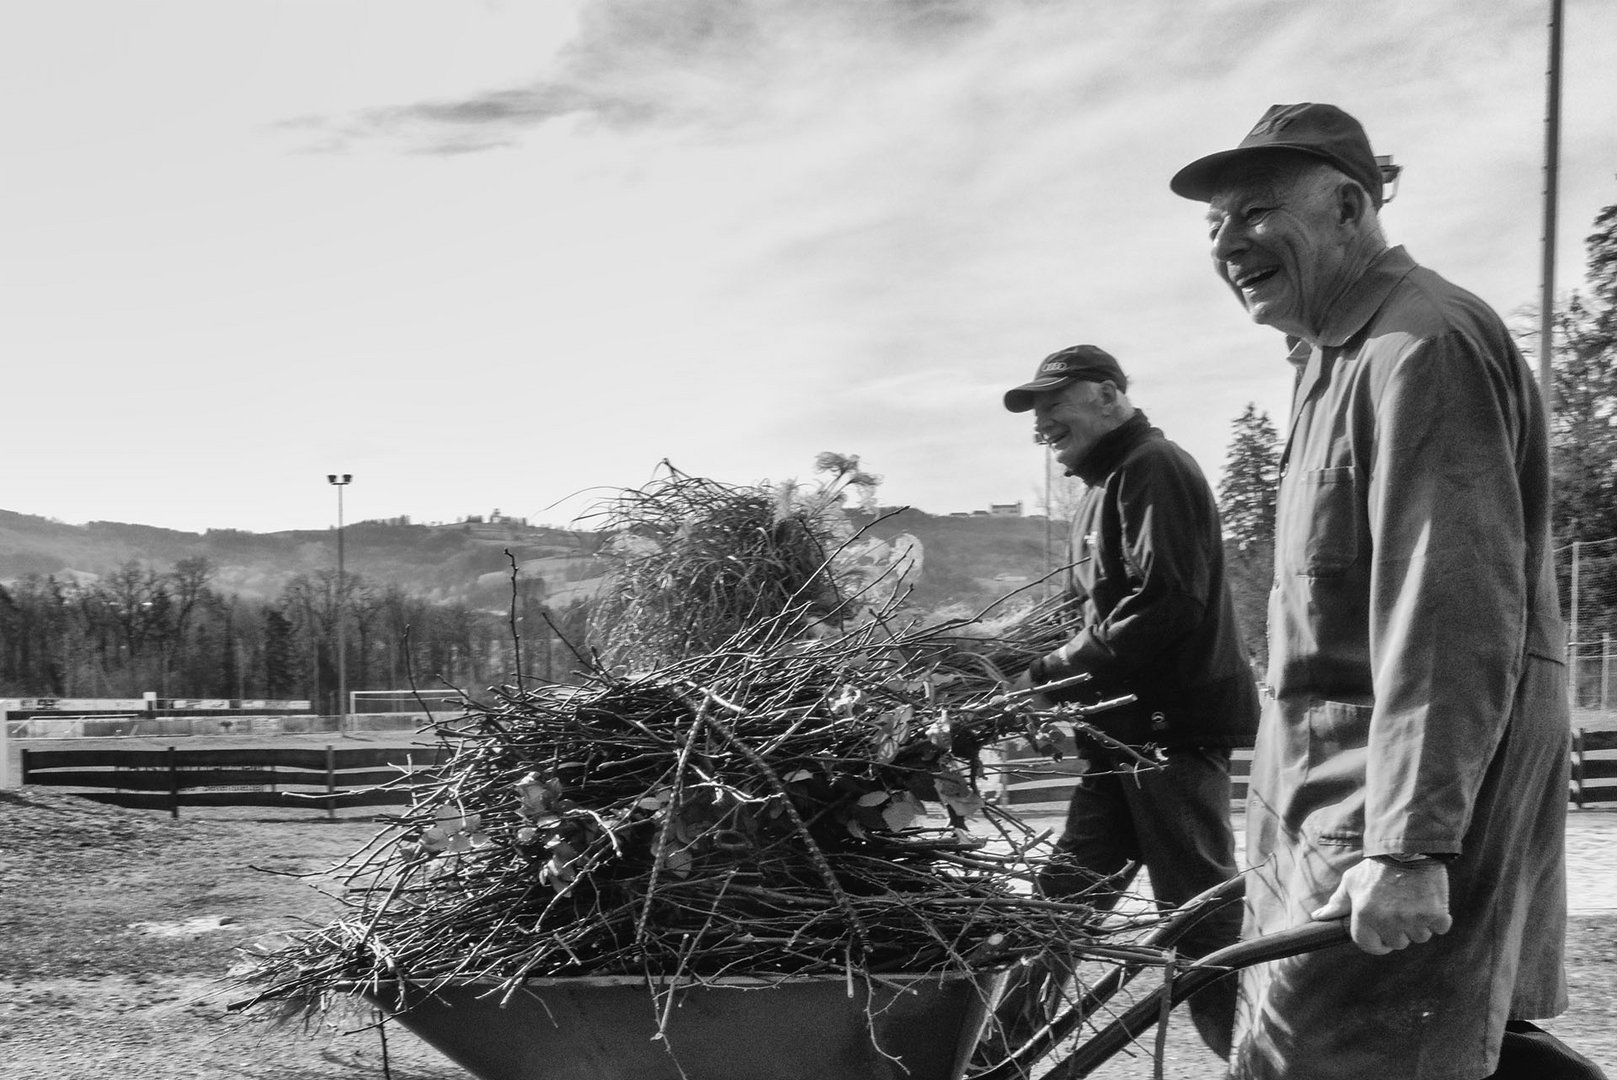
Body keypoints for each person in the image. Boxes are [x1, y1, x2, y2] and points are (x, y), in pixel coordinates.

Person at [1170, 102, 1605, 1079]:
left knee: (1335, 1050)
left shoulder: (1419, 347)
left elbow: (1447, 604)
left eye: (1254, 212)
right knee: (1404, 1035)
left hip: (1385, 796)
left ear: (1350, 205)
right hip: (1333, 789)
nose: (1229, 243)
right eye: (1214, 227)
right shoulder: (1337, 357)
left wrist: (1409, 846)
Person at [994, 344, 1261, 1060]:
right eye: (1034, 411)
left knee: (1200, 923)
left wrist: (1051, 669)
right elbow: (1080, 610)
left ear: (1110, 396)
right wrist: (987, 657)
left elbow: (1166, 600)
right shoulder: (1101, 489)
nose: (1041, 421)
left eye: (1055, 402)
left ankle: (1259, 1064)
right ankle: (989, 1057)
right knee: (1060, 909)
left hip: (1165, 739)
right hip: (1122, 742)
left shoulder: (1151, 469)